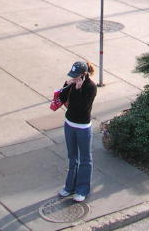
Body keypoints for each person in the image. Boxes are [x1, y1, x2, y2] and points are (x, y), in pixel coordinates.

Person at [58, 61, 97, 203]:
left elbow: (82, 107)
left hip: (83, 127)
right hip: (69, 124)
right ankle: (69, 187)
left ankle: (82, 189)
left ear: (84, 74)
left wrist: (79, 89)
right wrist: (66, 85)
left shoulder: (91, 87)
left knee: (85, 159)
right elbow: (62, 100)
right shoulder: (72, 84)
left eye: (76, 76)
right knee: (72, 157)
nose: (74, 78)